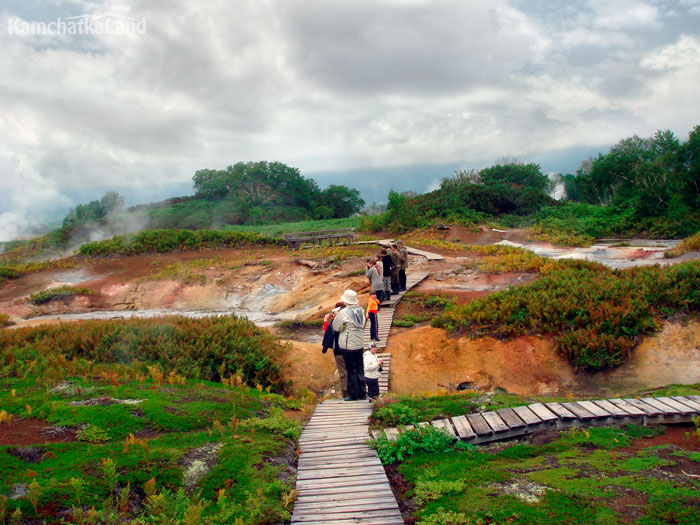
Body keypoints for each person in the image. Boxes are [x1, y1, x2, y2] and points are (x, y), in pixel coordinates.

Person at [332, 289, 367, 401]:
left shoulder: (343, 313)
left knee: (351, 370)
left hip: (348, 346)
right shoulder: (361, 311)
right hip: (359, 344)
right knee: (360, 368)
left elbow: (336, 327)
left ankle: (353, 394)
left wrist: (337, 316)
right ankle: (363, 393)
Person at [322, 303, 347, 398]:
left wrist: (326, 320)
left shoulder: (335, 323)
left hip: (339, 350)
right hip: (351, 348)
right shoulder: (348, 319)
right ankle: (356, 392)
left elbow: (327, 334)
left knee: (343, 373)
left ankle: (346, 395)